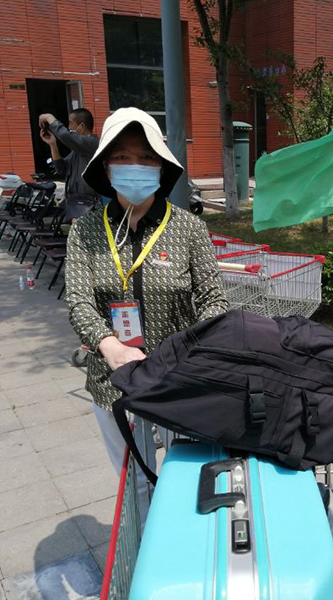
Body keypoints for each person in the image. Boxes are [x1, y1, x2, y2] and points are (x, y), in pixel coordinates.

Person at [65, 107, 228, 518]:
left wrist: (190, 350)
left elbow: (214, 299)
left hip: (178, 379)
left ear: (161, 167)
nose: (134, 165)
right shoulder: (85, 230)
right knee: (133, 479)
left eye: (145, 157)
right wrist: (109, 345)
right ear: (106, 167)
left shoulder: (188, 228)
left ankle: (178, 539)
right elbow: (79, 301)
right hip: (112, 381)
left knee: (183, 473)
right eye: (122, 157)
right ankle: (141, 546)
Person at [39, 108, 100, 215]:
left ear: (82, 126)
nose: (69, 128)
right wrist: (53, 144)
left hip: (88, 205)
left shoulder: (93, 144)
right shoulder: (77, 150)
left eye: (71, 123)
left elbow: (64, 135)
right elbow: (61, 168)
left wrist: (49, 117)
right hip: (75, 203)